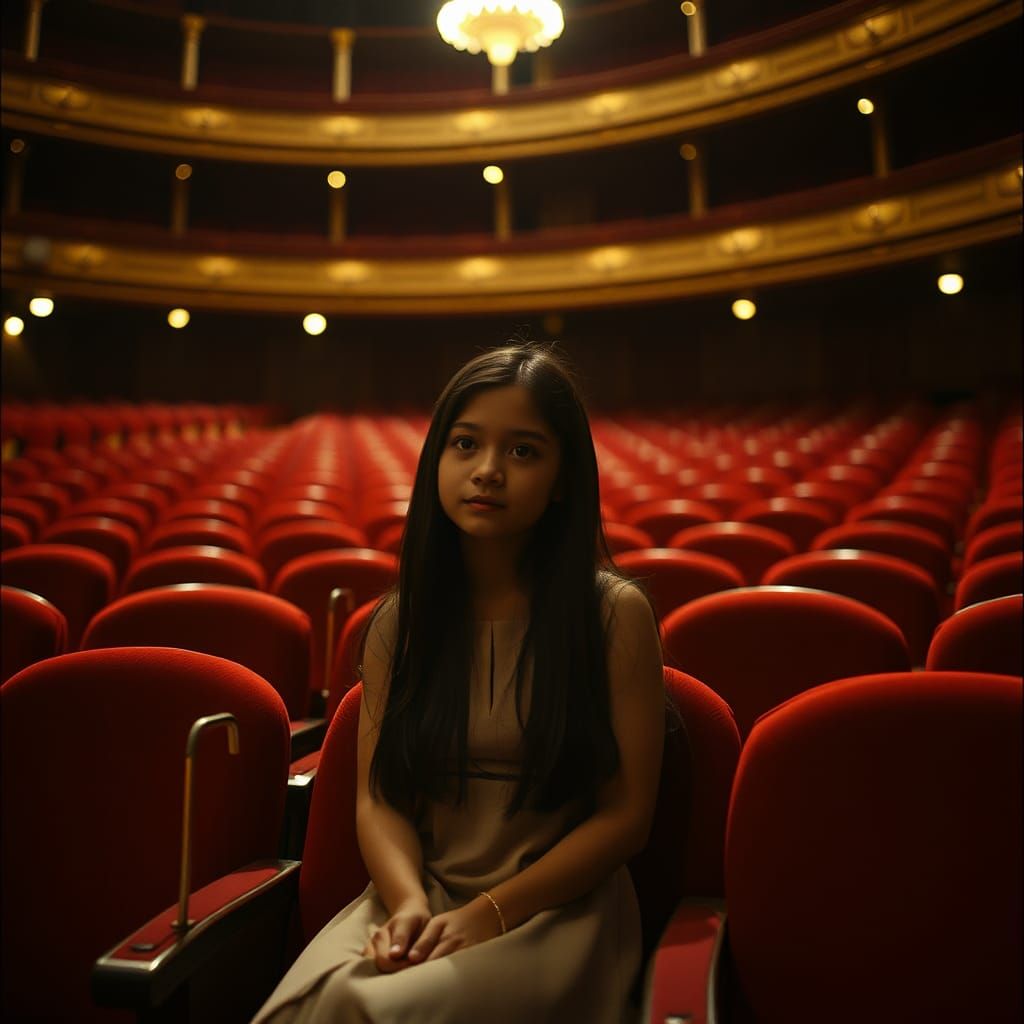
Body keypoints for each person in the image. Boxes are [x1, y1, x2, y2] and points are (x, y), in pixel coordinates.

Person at [253, 343, 665, 1024]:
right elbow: (379, 797)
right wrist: (409, 902)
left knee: (380, 1009)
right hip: (418, 895)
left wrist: (491, 913)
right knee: (319, 1005)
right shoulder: (400, 623)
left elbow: (627, 819)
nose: (488, 472)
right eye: (465, 444)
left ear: (564, 477)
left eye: (524, 451)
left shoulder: (613, 616)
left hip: (555, 911)